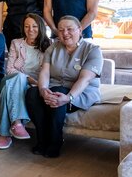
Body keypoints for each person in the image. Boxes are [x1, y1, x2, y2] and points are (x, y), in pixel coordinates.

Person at [26, 15, 103, 158]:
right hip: (54, 89)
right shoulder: (53, 48)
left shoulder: (93, 50)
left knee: (58, 93)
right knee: (32, 93)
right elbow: (45, 72)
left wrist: (69, 97)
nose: (65, 33)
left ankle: (55, 142)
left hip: (80, 92)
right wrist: (43, 90)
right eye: (61, 30)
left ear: (80, 30)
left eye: (69, 29)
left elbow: (85, 79)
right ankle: (42, 140)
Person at [0, 13, 51, 150]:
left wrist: (35, 83)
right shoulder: (16, 43)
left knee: (5, 92)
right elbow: (10, 69)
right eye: (27, 26)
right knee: (18, 78)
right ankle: (17, 122)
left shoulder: (49, 46)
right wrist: (27, 78)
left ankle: (3, 134)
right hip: (11, 79)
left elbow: (49, 71)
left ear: (40, 28)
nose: (30, 29)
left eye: (34, 26)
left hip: (29, 86)